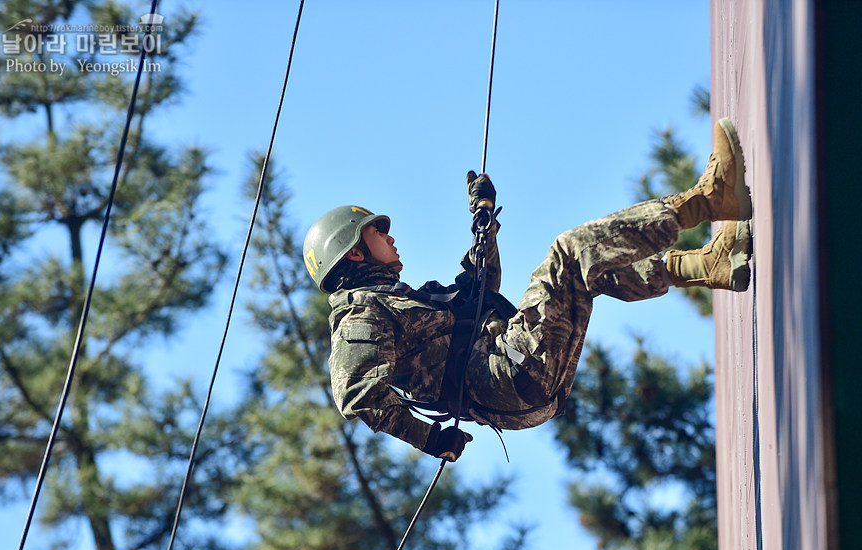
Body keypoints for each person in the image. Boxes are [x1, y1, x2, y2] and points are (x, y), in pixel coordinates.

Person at [303, 118, 752, 462]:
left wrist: (485, 223)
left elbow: (478, 291)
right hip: (507, 374)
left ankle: (709, 264)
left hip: (515, 377)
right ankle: (710, 199)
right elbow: (356, 392)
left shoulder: (396, 302)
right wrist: (430, 438)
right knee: (570, 253)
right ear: (354, 255)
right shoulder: (360, 317)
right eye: (377, 234)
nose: (391, 237)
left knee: (585, 274)